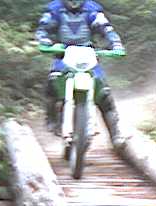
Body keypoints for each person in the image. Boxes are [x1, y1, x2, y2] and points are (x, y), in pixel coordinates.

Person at [35, 0, 126, 144]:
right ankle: (52, 120)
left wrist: (115, 43)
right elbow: (43, 28)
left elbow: (106, 28)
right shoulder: (55, 8)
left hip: (87, 54)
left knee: (103, 92)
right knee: (53, 82)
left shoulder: (92, 9)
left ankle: (116, 135)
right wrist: (44, 41)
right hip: (63, 54)